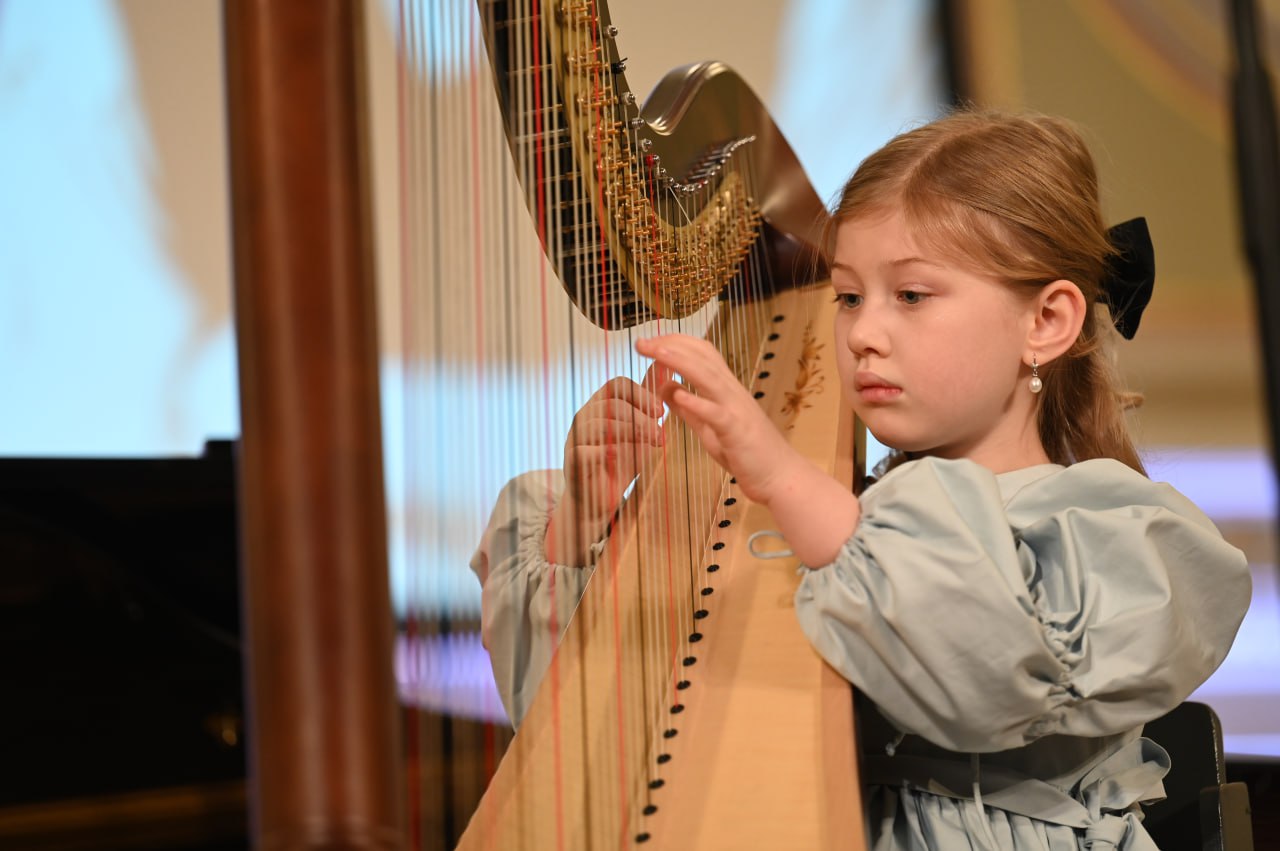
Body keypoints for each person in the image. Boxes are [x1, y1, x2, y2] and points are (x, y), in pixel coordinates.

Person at [469, 109, 1252, 850]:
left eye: (911, 295)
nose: (865, 334)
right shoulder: (828, 518)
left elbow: (984, 677)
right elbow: (587, 727)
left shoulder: (1117, 538)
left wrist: (777, 469)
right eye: (848, 296)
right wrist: (581, 520)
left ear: (1046, 322)